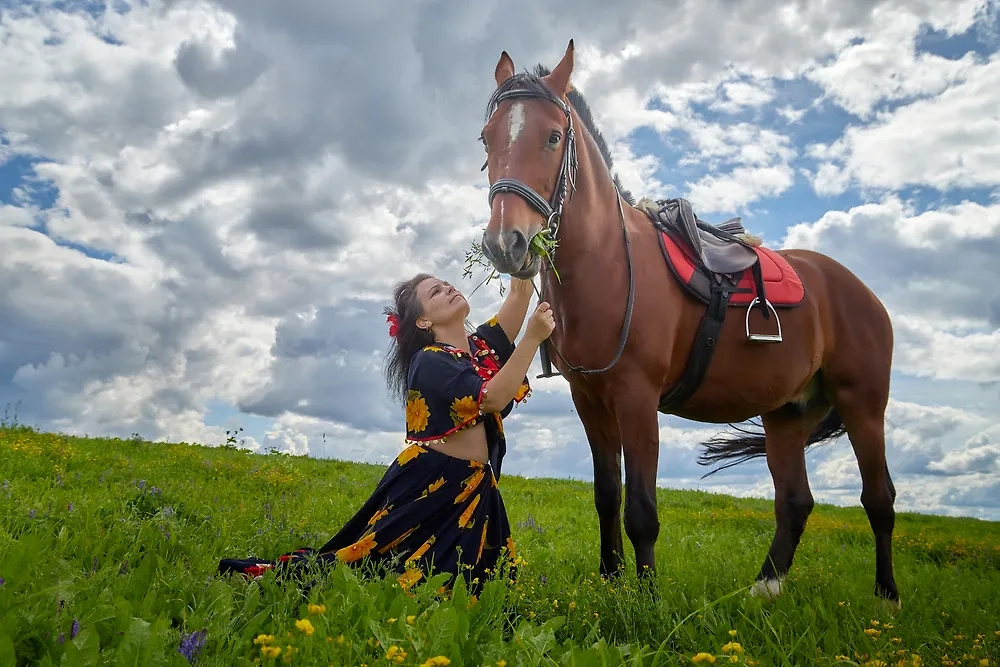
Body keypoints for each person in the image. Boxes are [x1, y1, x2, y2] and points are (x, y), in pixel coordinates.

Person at [218, 273, 556, 594]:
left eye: (445, 284)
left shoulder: (480, 347)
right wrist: (532, 338)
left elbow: (520, 292)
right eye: (435, 292)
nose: (448, 288)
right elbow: (493, 397)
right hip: (432, 487)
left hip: (474, 488)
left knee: (480, 586)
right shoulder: (431, 360)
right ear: (423, 322)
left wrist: (528, 244)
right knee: (383, 574)